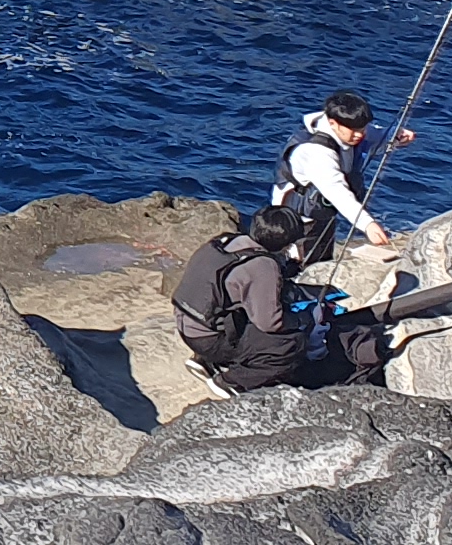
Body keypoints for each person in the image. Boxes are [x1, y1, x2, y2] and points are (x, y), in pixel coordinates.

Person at [171, 204, 391, 394]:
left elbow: (234, 282)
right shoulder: (264, 266)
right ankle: (231, 382)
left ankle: (206, 361)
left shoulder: (225, 242)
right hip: (209, 338)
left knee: (237, 313)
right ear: (286, 243)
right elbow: (270, 322)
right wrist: (305, 319)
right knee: (289, 343)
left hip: (187, 323)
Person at [273, 89, 412, 269]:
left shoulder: (351, 130)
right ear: (333, 123)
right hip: (299, 220)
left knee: (322, 261)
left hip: (321, 212)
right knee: (301, 266)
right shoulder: (316, 152)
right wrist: (367, 224)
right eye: (354, 131)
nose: (360, 135)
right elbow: (337, 192)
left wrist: (396, 135)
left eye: (362, 129)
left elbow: (376, 134)